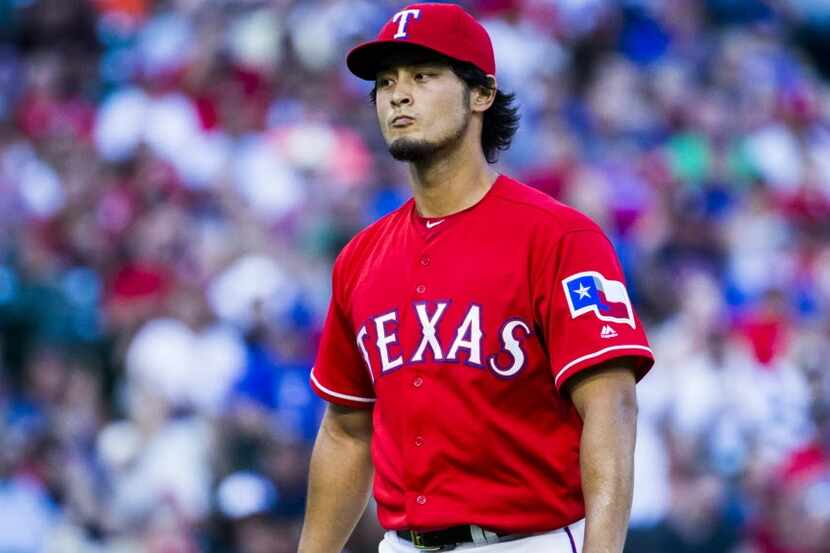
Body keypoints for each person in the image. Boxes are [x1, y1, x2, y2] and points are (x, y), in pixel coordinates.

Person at [298, 4, 655, 553]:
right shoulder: (360, 258)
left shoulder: (560, 238)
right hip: (401, 543)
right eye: (386, 82)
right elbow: (346, 433)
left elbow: (611, 406)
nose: (398, 94)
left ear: (482, 93)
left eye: (423, 75)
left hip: (525, 541)